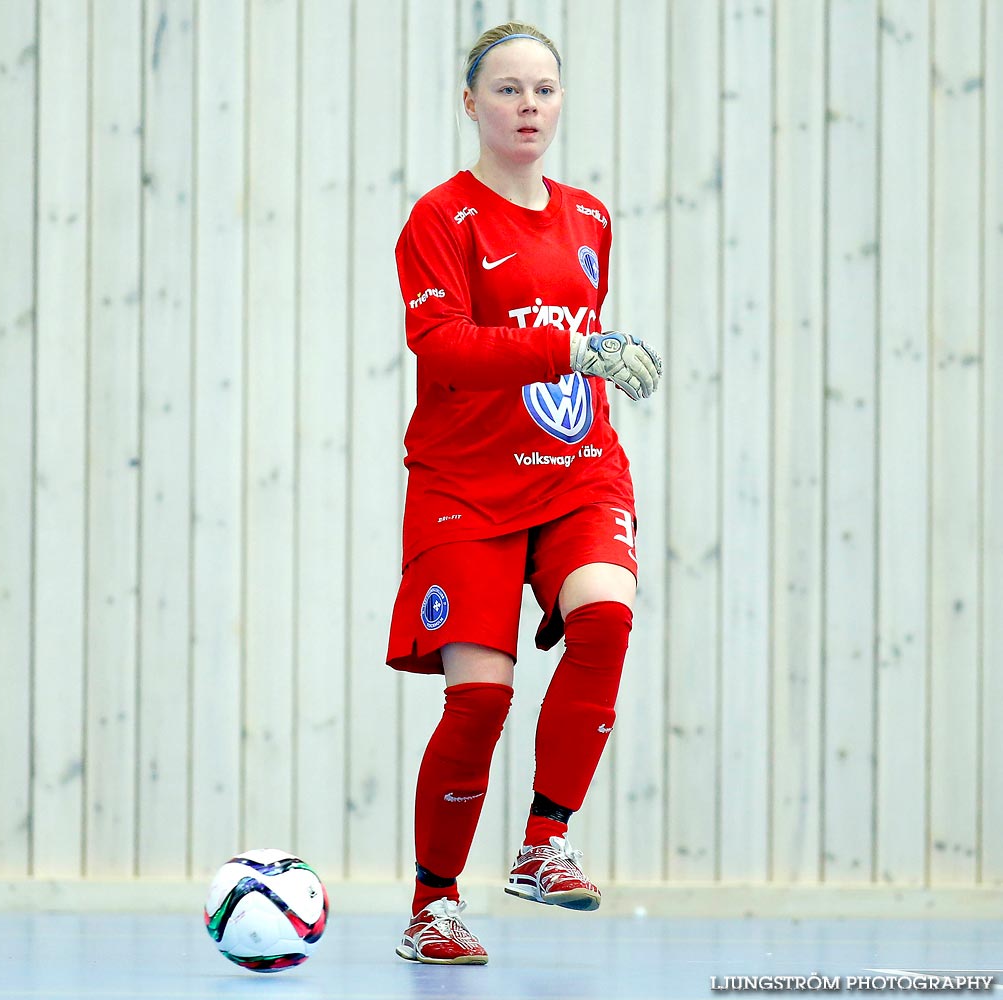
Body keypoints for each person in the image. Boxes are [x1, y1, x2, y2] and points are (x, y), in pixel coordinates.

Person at [387, 21, 663, 965]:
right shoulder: (439, 219)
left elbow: (573, 355)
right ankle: (433, 905)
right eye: (507, 89)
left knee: (606, 619)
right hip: (464, 483)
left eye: (543, 88)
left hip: (576, 469)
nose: (529, 105)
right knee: (481, 702)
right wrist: (567, 347)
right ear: (471, 104)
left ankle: (545, 841)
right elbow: (445, 349)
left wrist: (587, 366)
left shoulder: (589, 218)